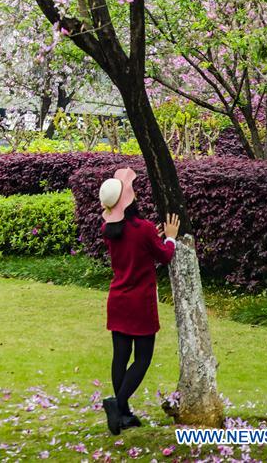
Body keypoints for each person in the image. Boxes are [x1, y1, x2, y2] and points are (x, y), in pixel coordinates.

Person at [99, 168, 179, 435]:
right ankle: (117, 403)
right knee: (143, 359)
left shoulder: (109, 229)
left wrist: (152, 236)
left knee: (120, 358)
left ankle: (123, 415)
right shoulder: (143, 229)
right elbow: (164, 256)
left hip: (118, 300)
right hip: (140, 303)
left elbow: (134, 244)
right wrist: (169, 237)